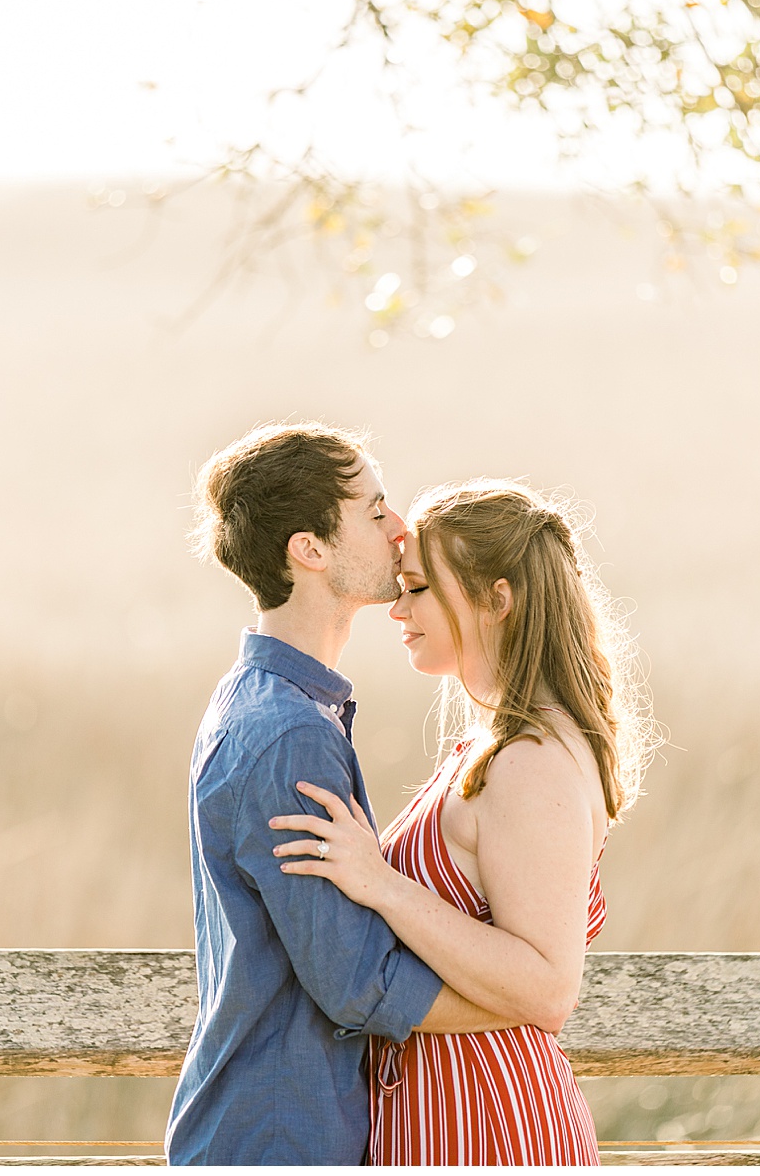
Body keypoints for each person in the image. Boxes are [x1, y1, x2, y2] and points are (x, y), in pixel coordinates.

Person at [270, 478, 657, 1165]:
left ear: (495, 599)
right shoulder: (495, 747)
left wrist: (380, 883)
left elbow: (547, 986)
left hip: (489, 1124)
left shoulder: (533, 761)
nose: (398, 608)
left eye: (419, 588)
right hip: (440, 1115)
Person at [166, 424, 521, 1166]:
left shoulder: (273, 706)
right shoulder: (286, 733)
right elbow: (358, 984)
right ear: (311, 549)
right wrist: (524, 1001)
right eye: (374, 508)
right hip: (277, 1139)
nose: (400, 529)